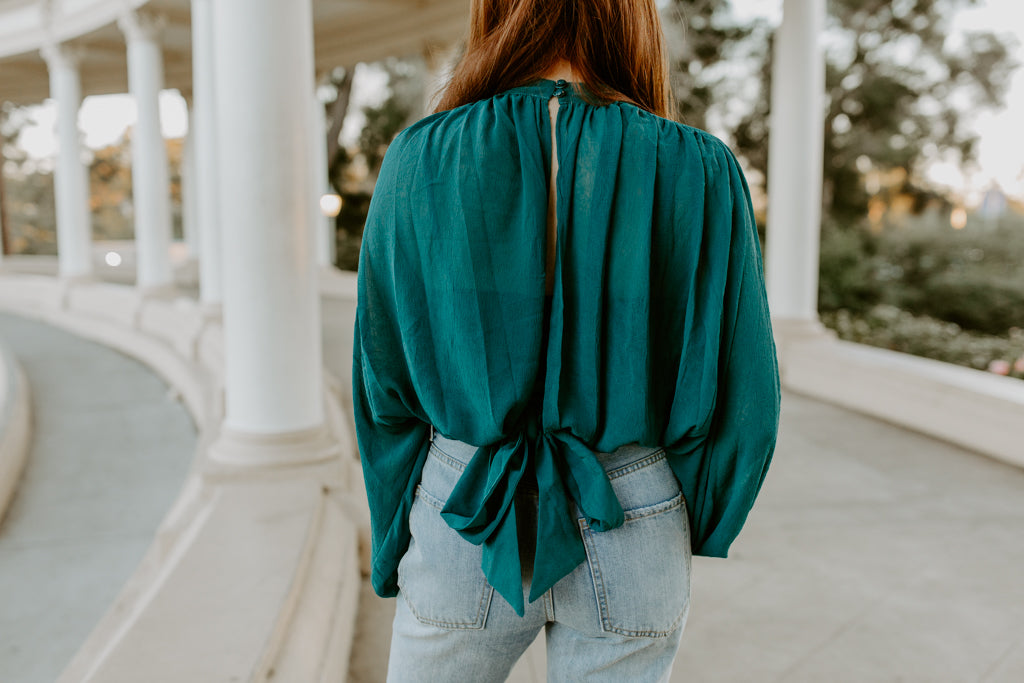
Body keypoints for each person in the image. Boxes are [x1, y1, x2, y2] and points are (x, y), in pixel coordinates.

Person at [351, 0, 781, 680]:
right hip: (632, 507)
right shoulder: (700, 169)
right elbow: (742, 391)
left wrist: (394, 529)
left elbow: (382, 377)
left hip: (466, 500)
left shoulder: (421, 158)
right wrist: (696, 515)